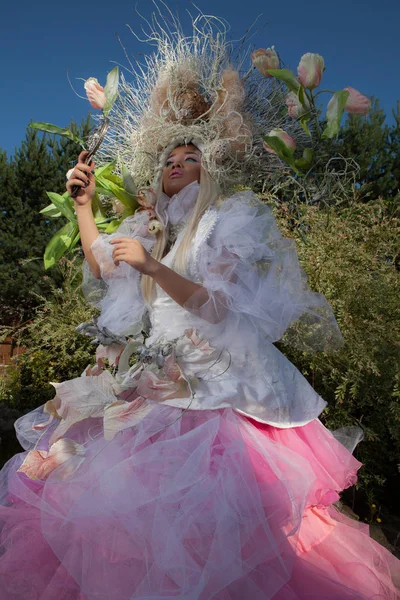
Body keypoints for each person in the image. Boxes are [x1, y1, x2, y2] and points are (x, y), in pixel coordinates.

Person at [0, 15, 399, 600]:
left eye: (189, 156)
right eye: (167, 159)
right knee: (120, 512)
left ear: (208, 166)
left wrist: (152, 266)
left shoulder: (222, 223)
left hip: (212, 382)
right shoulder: (146, 225)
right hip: (148, 374)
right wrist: (84, 205)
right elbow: (101, 262)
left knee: (224, 518)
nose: (176, 163)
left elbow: (215, 308)